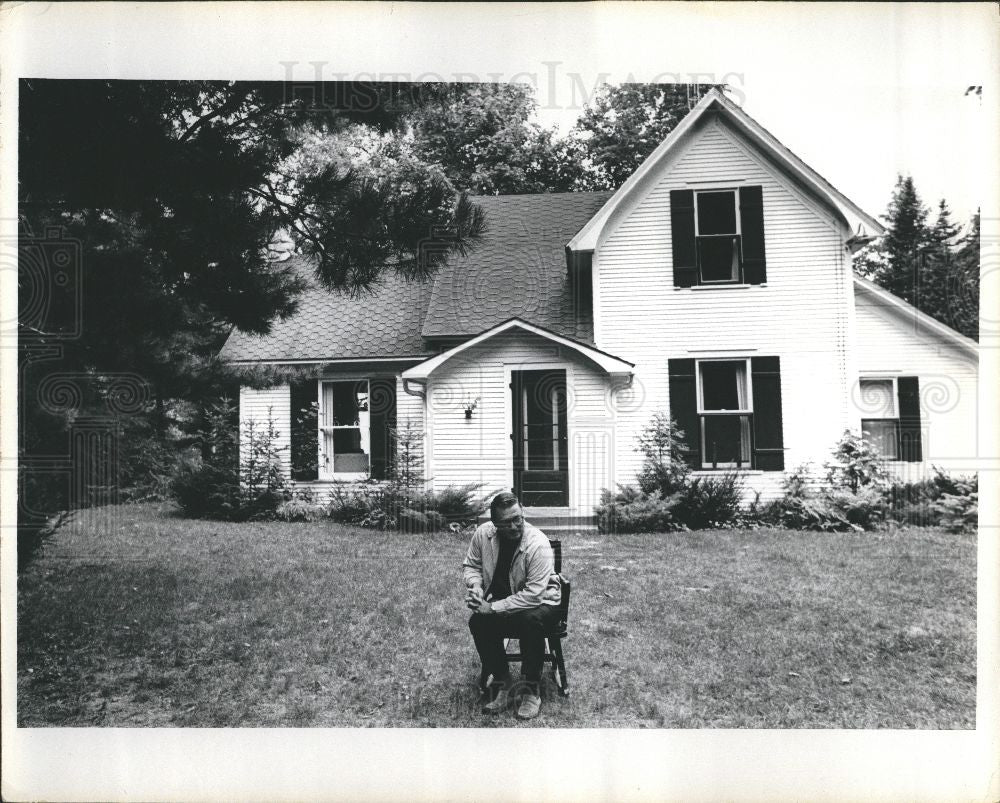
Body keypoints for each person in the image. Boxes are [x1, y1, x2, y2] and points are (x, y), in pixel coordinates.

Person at [463, 491, 562, 719]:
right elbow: (472, 566)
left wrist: (493, 608)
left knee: (530, 620)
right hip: (507, 600)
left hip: (543, 601)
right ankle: (503, 682)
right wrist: (476, 587)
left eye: (518, 518)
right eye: (507, 522)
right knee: (478, 621)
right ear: (494, 524)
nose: (515, 525)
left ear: (522, 512)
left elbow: (534, 596)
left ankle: (531, 689)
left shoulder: (538, 543)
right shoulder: (482, 535)